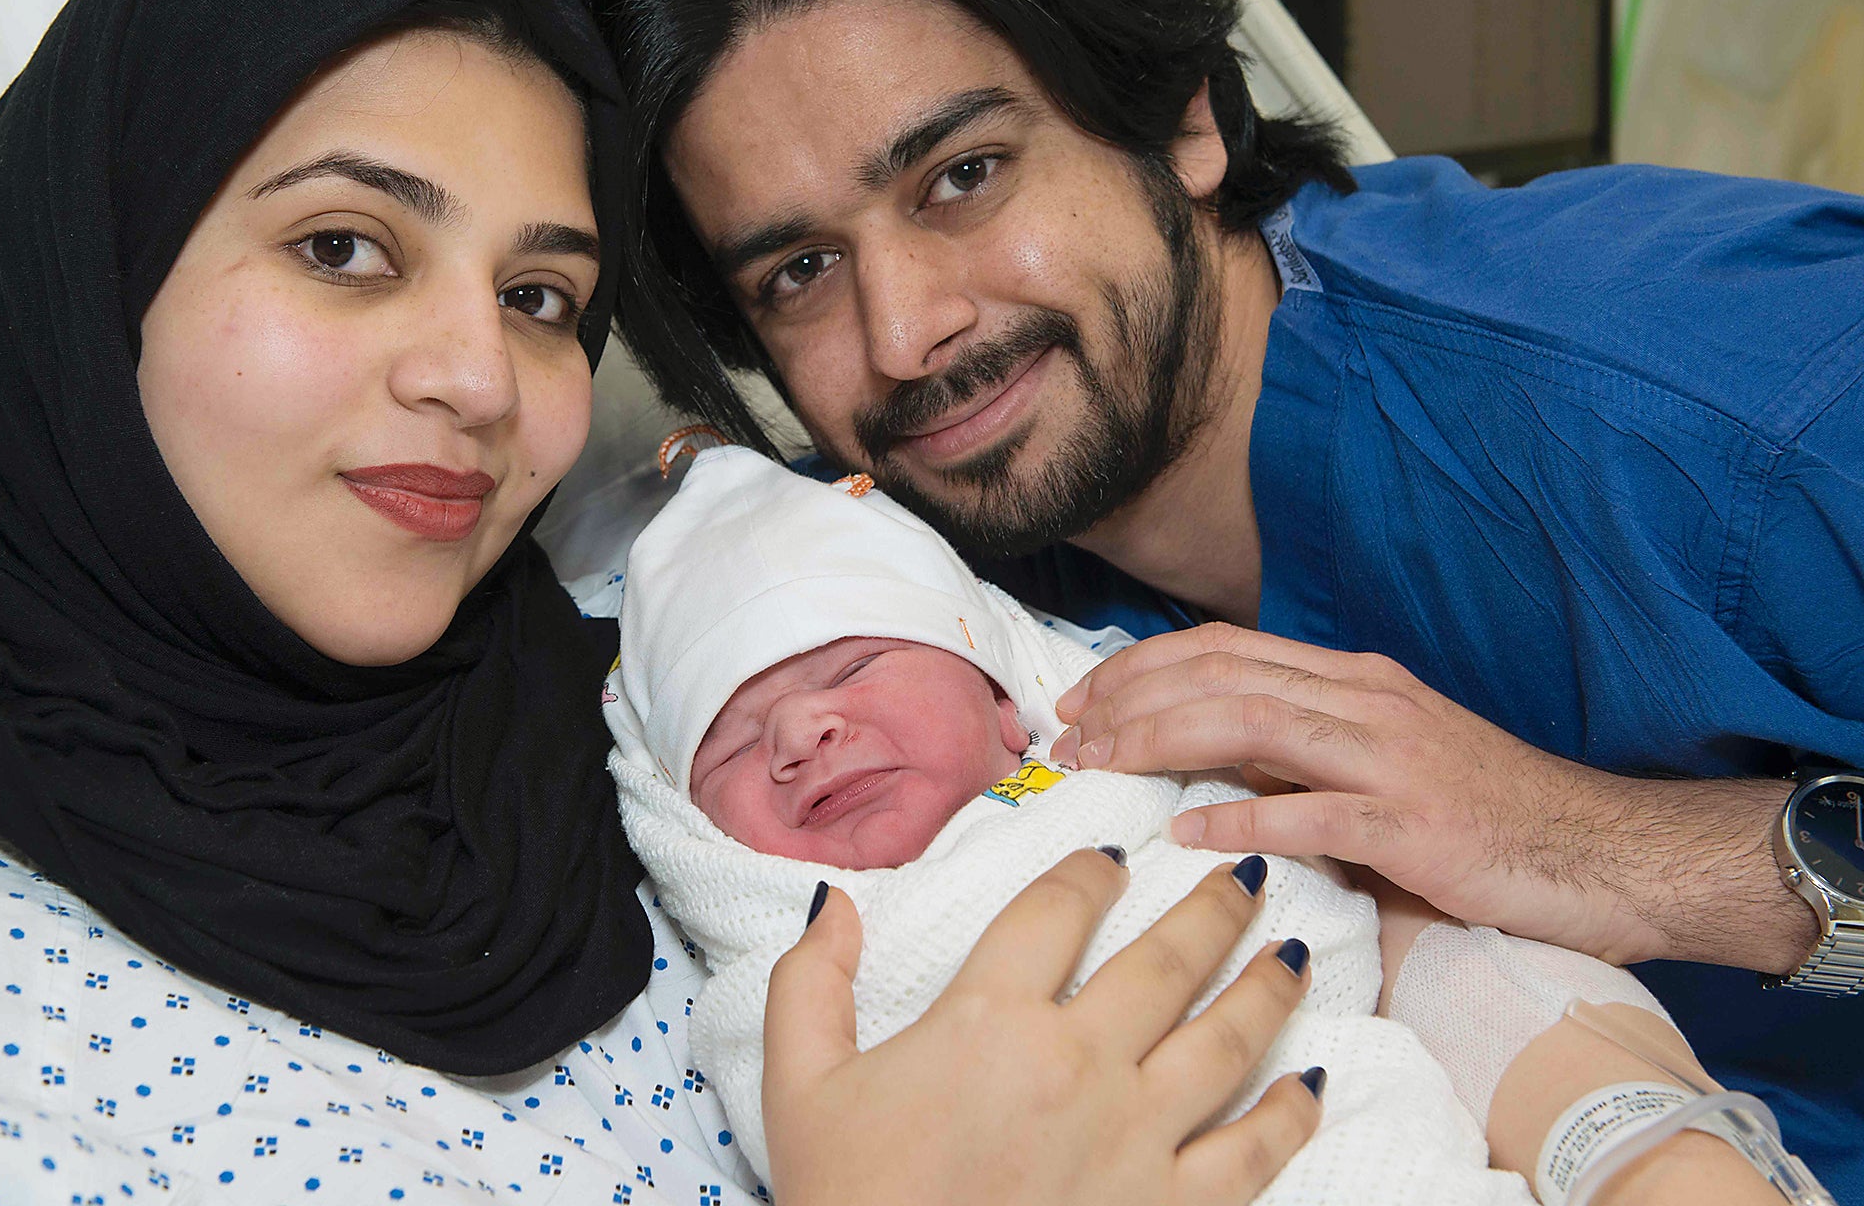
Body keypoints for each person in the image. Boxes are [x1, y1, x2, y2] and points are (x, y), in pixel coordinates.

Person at [0, 0, 1330, 1206]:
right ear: (80, 289)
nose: (479, 380)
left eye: (540, 299)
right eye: (344, 249)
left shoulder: (672, 703)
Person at [564, 0, 1864, 1197]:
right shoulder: (897, 573)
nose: (903, 331)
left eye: (965, 176)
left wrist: (1607, 847)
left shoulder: (1725, 403)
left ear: (1182, 118)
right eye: (800, 270)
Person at [602, 441, 1788, 1206]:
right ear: (696, 838)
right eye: (730, 734)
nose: (802, 729)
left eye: (855, 662)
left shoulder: (1126, 773)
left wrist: (1628, 1141)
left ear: (1000, 689)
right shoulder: (779, 976)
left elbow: (1379, 933)